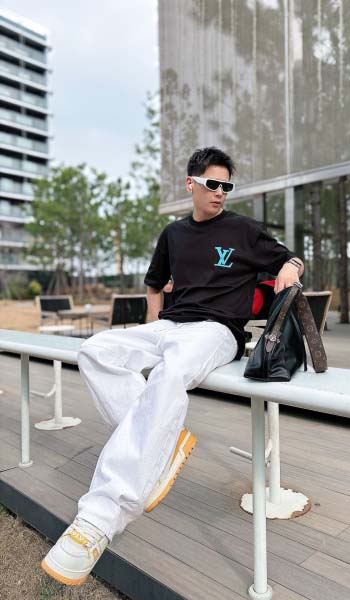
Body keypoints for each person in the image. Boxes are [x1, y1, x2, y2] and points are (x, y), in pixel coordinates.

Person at [41, 146, 304, 585]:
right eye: (212, 184)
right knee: (96, 350)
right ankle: (162, 439)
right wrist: (151, 324)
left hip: (217, 330)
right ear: (190, 184)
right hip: (170, 325)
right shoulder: (173, 233)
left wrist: (290, 269)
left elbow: (290, 257)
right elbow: (154, 283)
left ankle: (100, 519)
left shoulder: (242, 229)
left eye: (226, 186)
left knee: (170, 372)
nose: (220, 192)